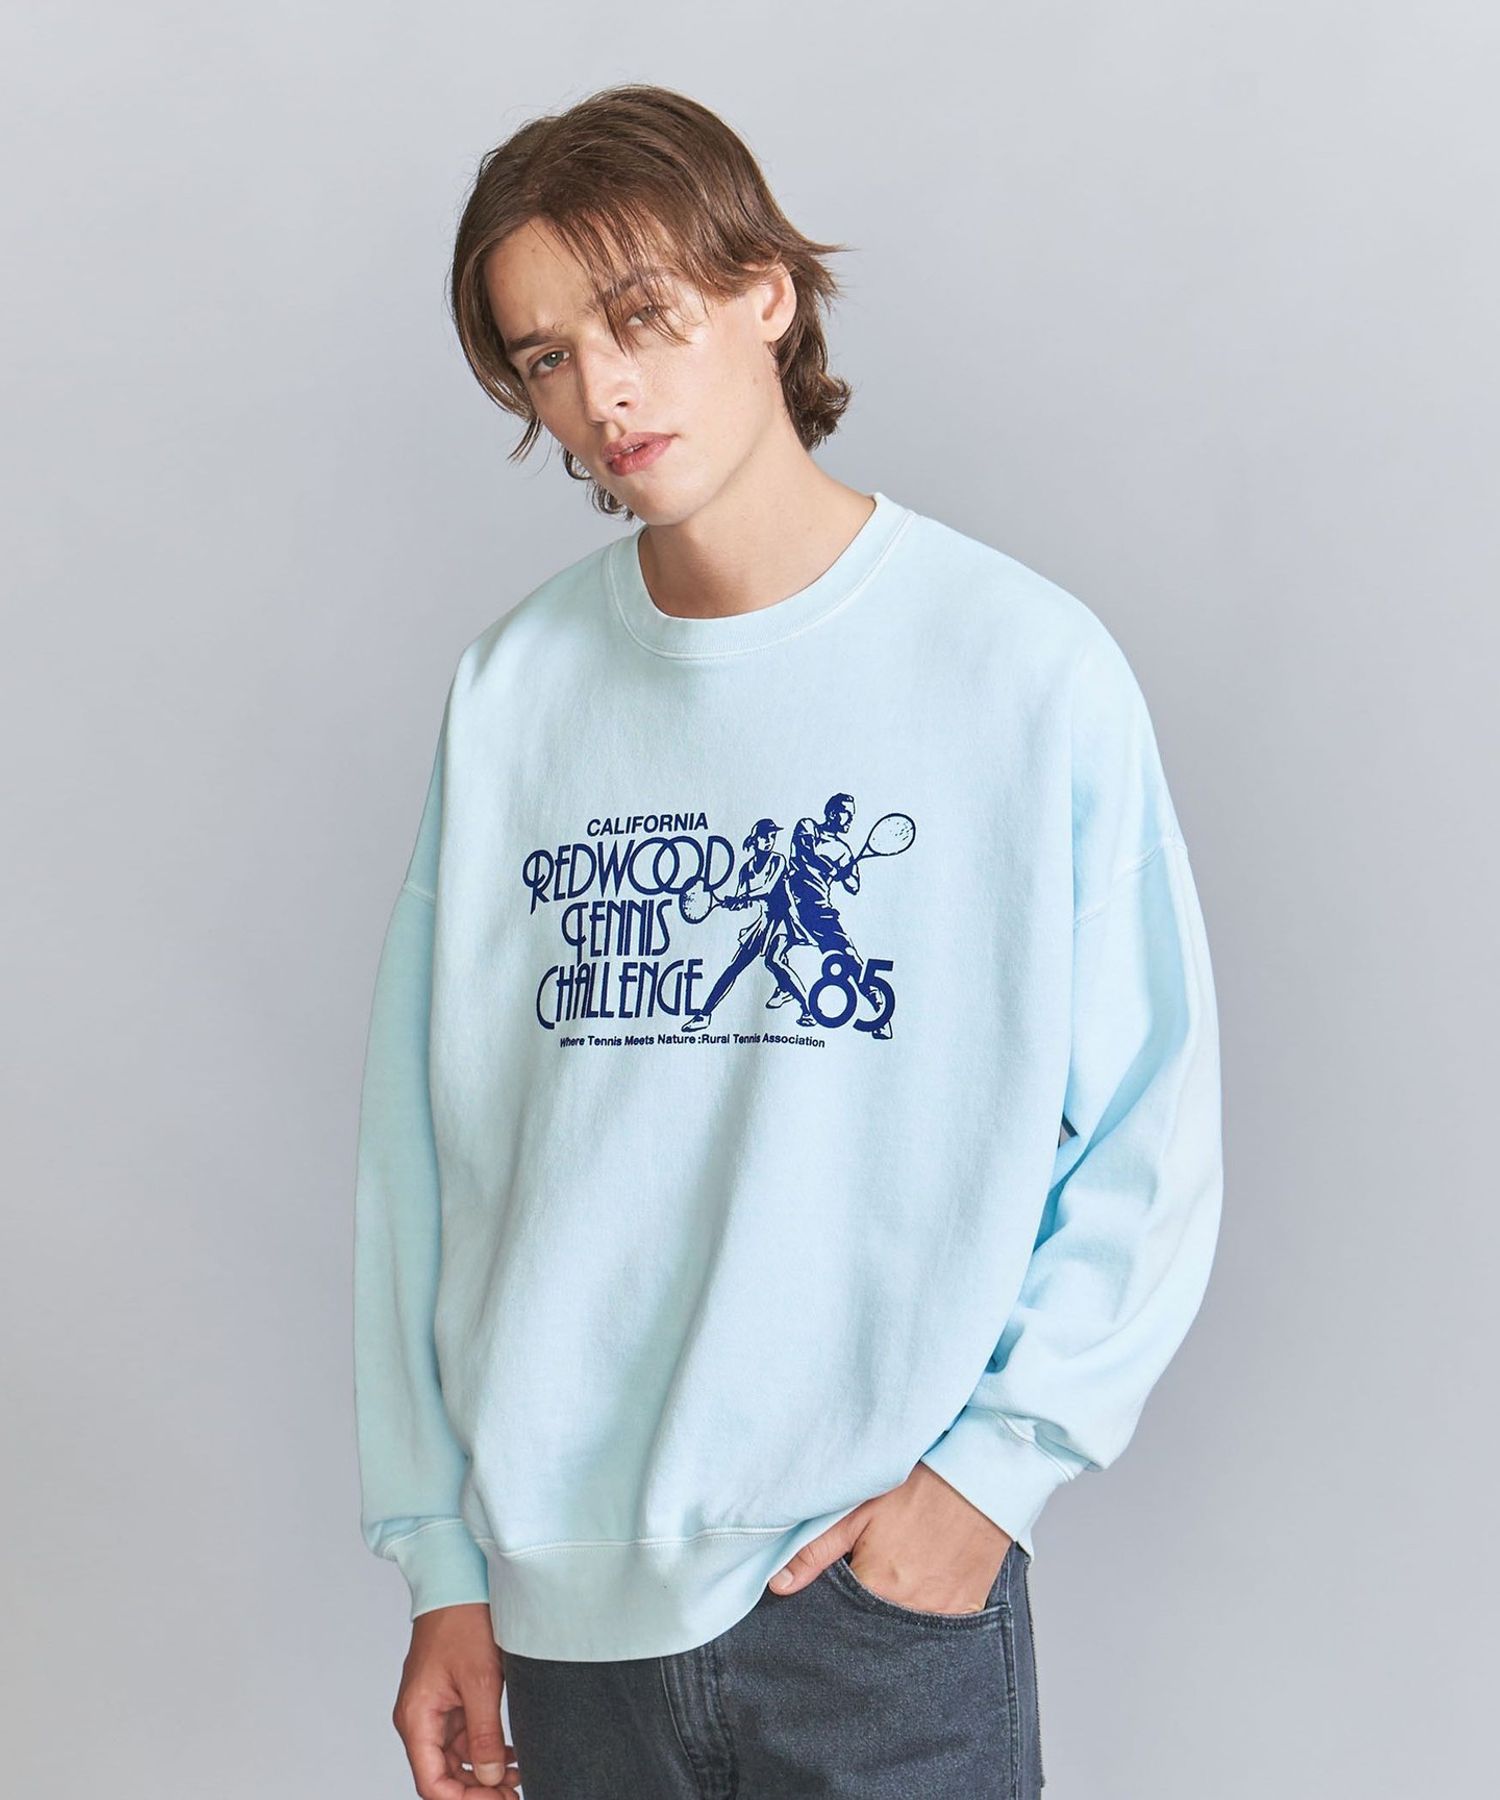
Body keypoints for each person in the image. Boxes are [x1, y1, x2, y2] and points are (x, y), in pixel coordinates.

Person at [352, 82, 1223, 1800]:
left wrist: (992, 1482)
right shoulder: (516, 694)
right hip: (569, 1618)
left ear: (766, 293)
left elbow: (1153, 1117)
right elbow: (423, 1152)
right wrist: (441, 1561)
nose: (603, 393)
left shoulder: (1018, 668)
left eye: (642, 318)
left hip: (872, 1608)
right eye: (545, 357)